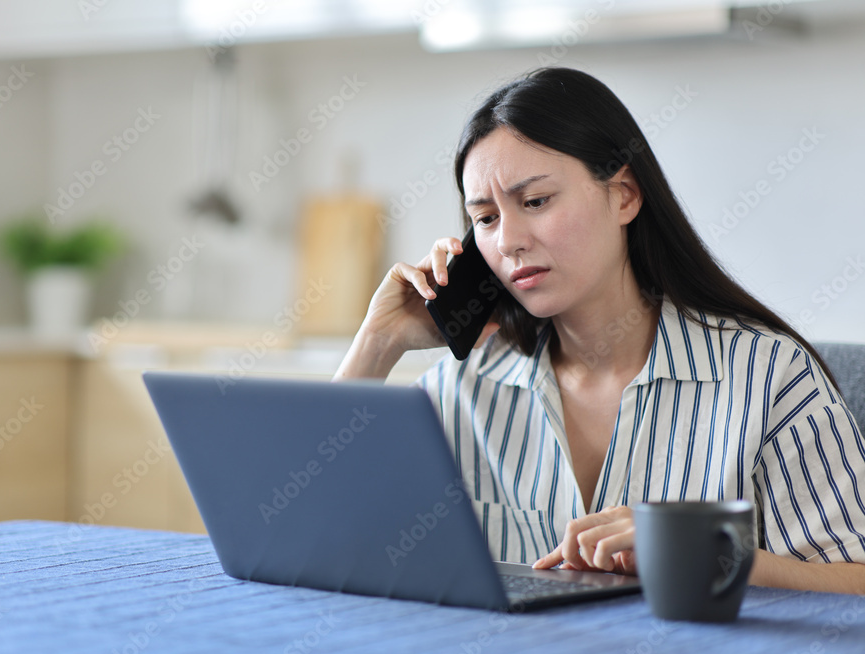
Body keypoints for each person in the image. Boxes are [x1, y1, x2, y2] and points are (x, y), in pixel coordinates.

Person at [334, 67, 865, 594]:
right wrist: (378, 344)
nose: (509, 240)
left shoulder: (768, 376)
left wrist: (721, 557)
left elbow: (857, 580)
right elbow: (304, 536)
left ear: (625, 196)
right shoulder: (462, 387)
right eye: (486, 219)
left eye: (536, 201)